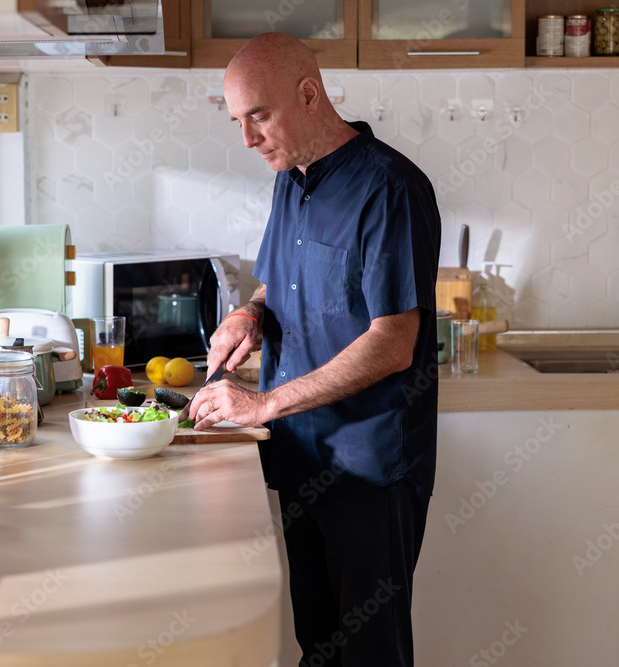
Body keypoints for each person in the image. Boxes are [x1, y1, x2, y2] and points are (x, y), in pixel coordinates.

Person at [186, 33, 441, 666]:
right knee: (318, 648)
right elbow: (279, 281)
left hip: (369, 464)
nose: (248, 139)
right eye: (238, 121)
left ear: (309, 95)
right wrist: (249, 313)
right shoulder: (290, 177)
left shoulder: (390, 188)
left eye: (259, 116)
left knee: (370, 654)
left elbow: (393, 342)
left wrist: (262, 404)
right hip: (301, 453)